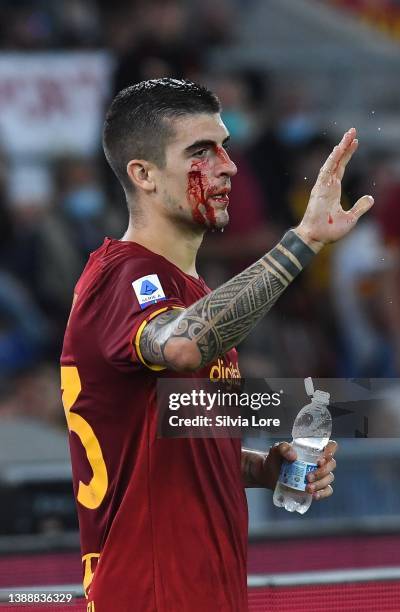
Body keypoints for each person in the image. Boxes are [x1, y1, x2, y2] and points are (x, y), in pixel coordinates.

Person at [60, 78, 374, 612]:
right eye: (201, 151)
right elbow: (184, 347)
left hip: (205, 591)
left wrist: (263, 468)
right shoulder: (124, 276)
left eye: (225, 147)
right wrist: (304, 242)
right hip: (149, 594)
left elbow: (177, 444)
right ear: (144, 175)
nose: (228, 165)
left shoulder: (193, 295)